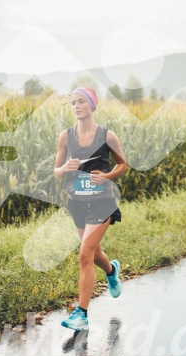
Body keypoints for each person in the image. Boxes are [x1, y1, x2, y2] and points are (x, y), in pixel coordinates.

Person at [53, 86, 128, 331]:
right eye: (73, 102)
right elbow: (56, 171)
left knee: (85, 254)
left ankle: (81, 314)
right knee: (95, 255)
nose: (76, 106)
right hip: (77, 203)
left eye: (81, 102)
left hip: (101, 203)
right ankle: (111, 269)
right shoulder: (65, 136)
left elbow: (122, 165)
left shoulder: (107, 136)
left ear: (92, 105)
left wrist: (106, 176)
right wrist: (65, 168)